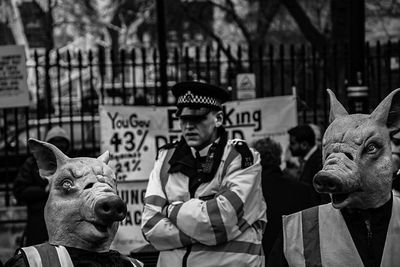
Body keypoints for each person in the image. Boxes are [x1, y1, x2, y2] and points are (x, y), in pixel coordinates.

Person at [141, 81, 267, 267]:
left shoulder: (241, 157)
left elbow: (219, 223)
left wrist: (170, 210)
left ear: (218, 118)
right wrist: (200, 222)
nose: (189, 126)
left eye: (198, 119)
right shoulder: (165, 158)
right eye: (184, 119)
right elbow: (150, 225)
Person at [252, 137, 319, 263]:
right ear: (278, 157)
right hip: (293, 258)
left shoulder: (247, 192)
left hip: (257, 258)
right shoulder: (302, 190)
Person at [13, 126, 71, 247]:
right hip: (39, 223)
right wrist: (45, 190)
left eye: (61, 143)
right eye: (55, 144)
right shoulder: (32, 164)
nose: (59, 148)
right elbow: (20, 190)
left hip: (67, 223)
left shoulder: (73, 163)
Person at [287, 124, 329, 204]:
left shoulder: (319, 162)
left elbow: (324, 196)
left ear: (304, 145)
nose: (289, 147)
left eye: (292, 143)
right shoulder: (308, 160)